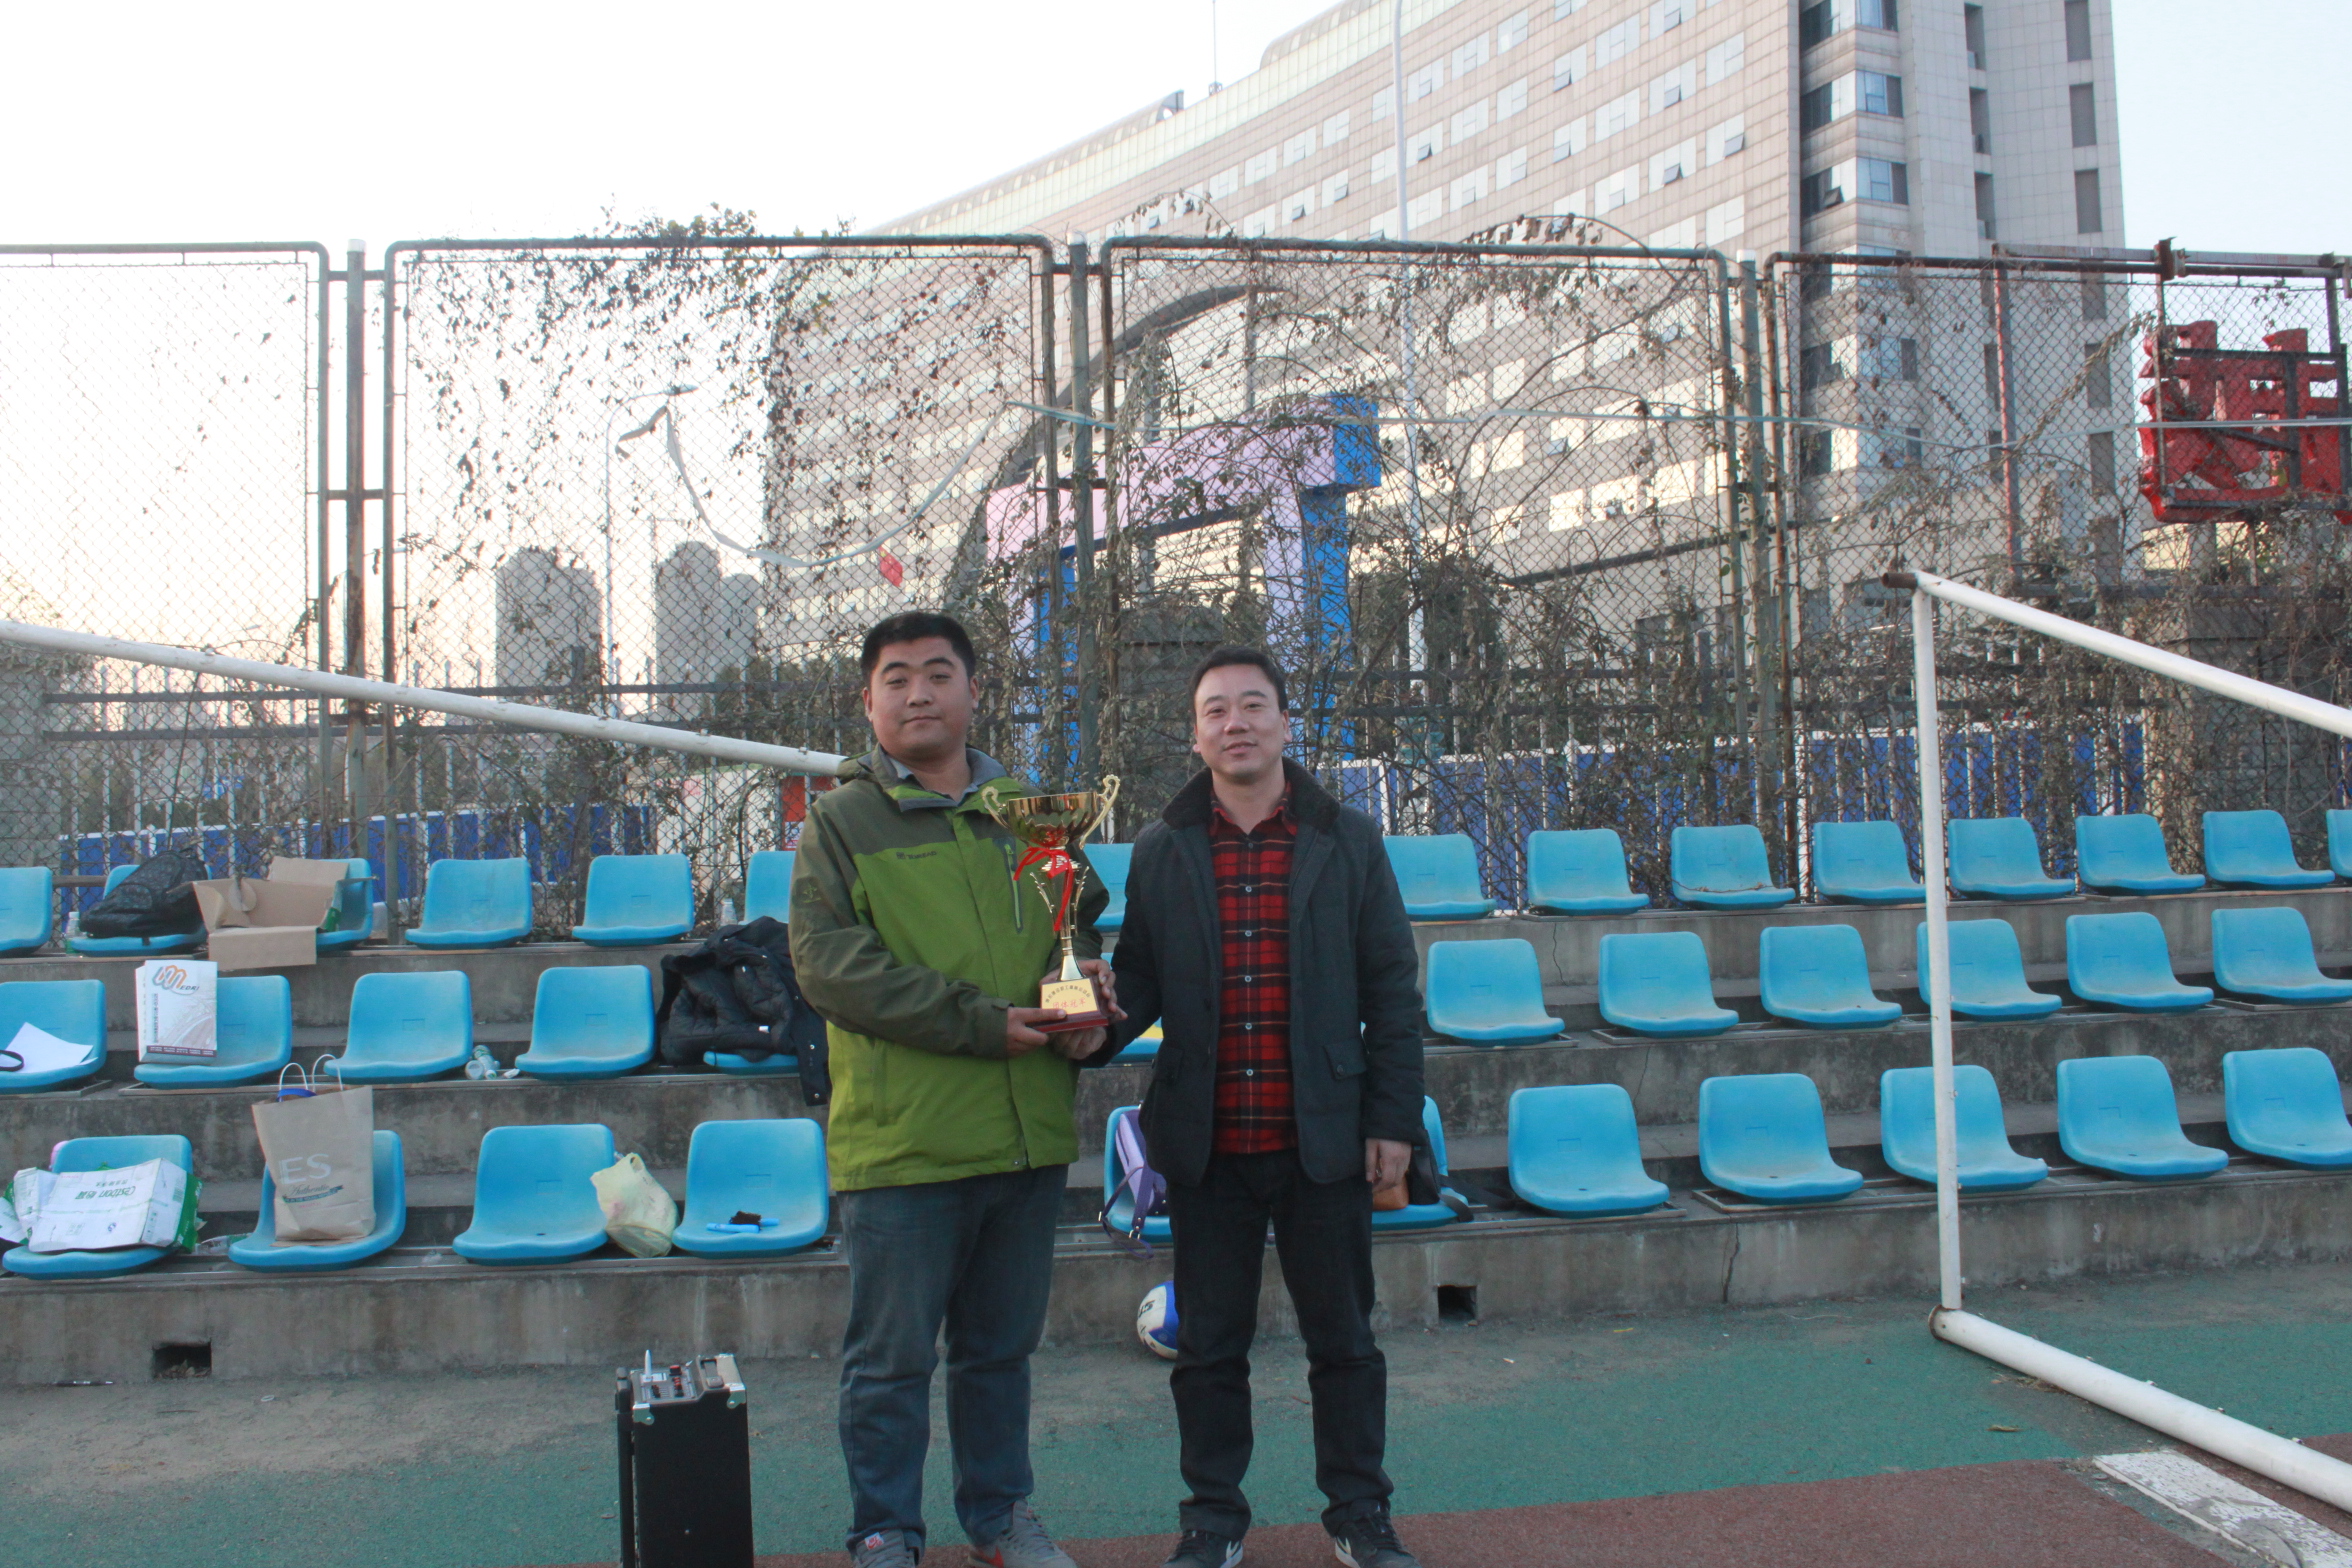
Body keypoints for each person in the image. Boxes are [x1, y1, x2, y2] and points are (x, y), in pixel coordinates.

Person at [791, 609, 1115, 1568]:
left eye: (939, 673)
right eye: (896, 679)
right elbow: (831, 968)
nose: (919, 693)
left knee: (998, 1354)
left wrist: (1085, 1002)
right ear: (868, 702)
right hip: (906, 1145)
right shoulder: (840, 823)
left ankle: (1000, 1515)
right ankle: (884, 1528)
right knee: (889, 1363)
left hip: (1025, 1135)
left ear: (973, 691)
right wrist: (981, 1022)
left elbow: (1078, 930)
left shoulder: (1031, 812)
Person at [1103, 646, 1428, 1568]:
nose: (1235, 722)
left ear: (1285, 723)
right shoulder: (1163, 848)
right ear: (1196, 734)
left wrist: (1391, 1122)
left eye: (1253, 705)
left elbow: (1391, 991)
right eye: (1216, 710)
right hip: (1206, 1146)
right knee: (1209, 1351)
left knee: (1345, 1344)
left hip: (1324, 1139)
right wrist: (1080, 1013)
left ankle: (1360, 1515)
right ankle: (1212, 1521)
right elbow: (1139, 983)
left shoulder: (1348, 839)